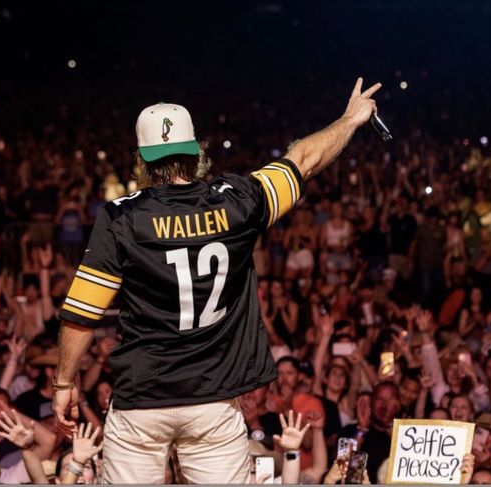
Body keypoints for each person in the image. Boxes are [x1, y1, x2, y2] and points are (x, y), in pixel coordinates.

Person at [53, 78, 383, 483]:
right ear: (197, 152)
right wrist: (350, 121)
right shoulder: (238, 200)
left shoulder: (121, 217)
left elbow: (83, 313)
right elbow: (304, 160)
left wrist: (64, 381)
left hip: (142, 399)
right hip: (214, 399)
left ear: (142, 159)